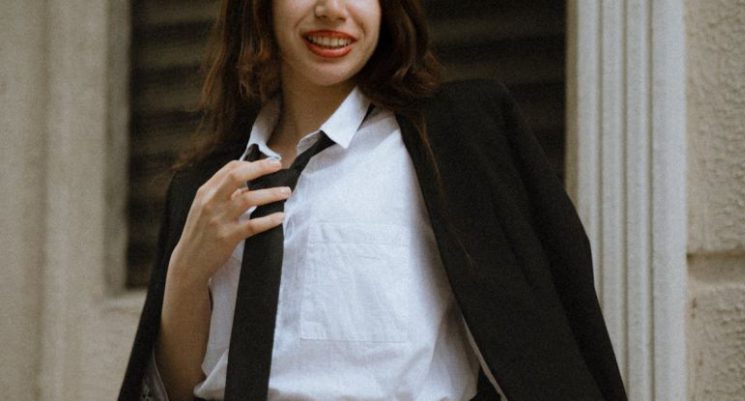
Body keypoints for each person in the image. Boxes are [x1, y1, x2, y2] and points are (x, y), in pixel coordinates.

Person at [119, 0, 627, 400]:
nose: (332, 8)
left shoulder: (456, 140)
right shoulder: (206, 186)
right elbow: (181, 389)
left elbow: (551, 338)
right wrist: (185, 272)